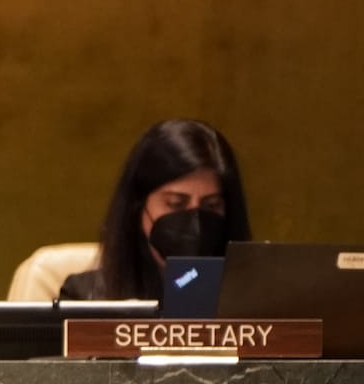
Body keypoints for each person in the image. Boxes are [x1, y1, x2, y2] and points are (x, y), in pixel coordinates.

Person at [59, 119, 253, 302]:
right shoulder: (85, 298)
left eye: (211, 205)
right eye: (176, 203)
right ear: (138, 206)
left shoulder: (254, 300)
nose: (195, 221)